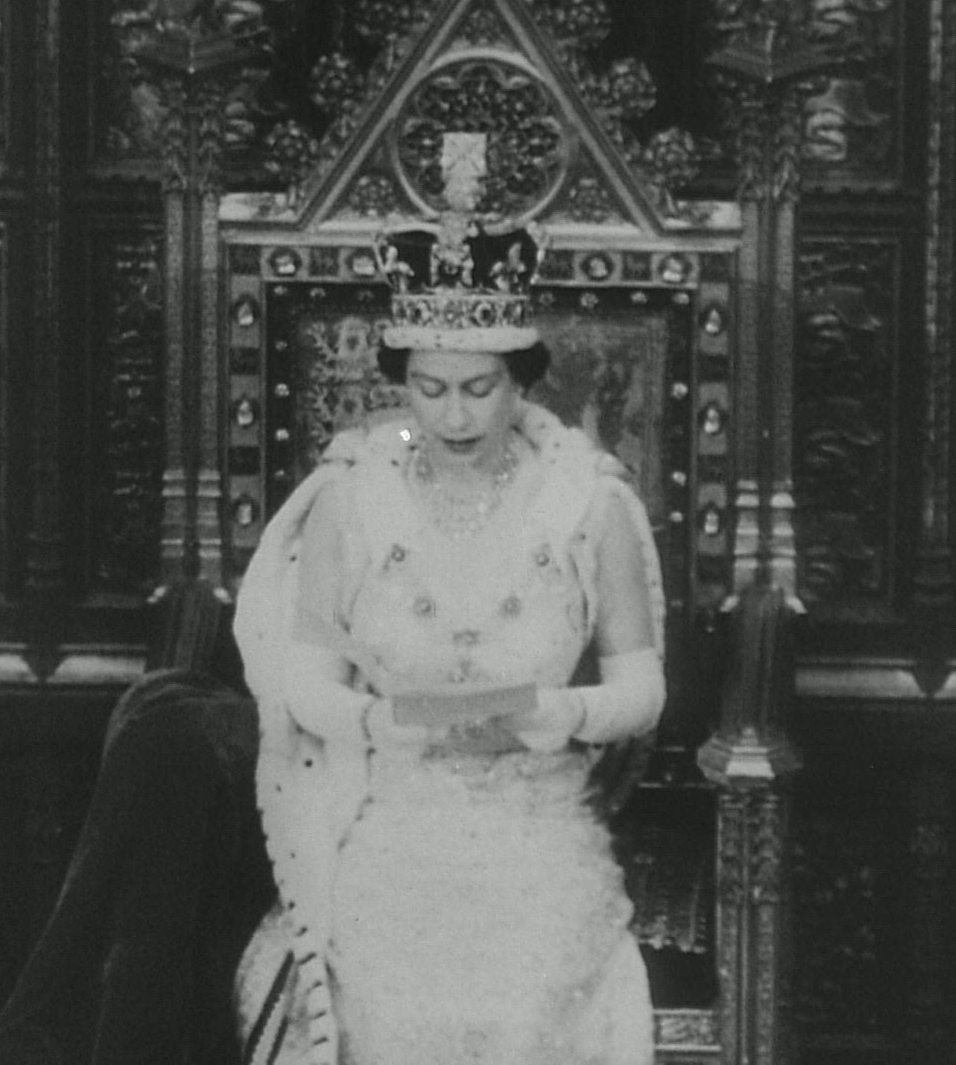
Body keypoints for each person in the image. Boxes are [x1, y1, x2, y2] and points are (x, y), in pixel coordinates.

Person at [230, 184, 668, 1064]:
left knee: (525, 1002)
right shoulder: (352, 498)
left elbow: (643, 689)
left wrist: (559, 713)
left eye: (479, 389)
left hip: (535, 826)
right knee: (384, 996)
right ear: (402, 385)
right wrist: (384, 719)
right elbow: (306, 681)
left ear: (521, 380)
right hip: (393, 820)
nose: (454, 416)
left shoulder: (587, 502)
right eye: (429, 390)